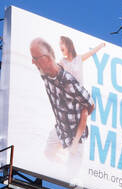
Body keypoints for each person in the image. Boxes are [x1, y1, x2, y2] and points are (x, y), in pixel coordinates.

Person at [29, 38, 95, 172]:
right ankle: (60, 168)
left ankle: (67, 169)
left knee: (71, 174)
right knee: (48, 154)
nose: (32, 62)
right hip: (60, 130)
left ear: (46, 59)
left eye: (35, 58)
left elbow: (90, 104)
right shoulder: (45, 74)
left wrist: (76, 138)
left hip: (75, 139)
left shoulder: (68, 82)